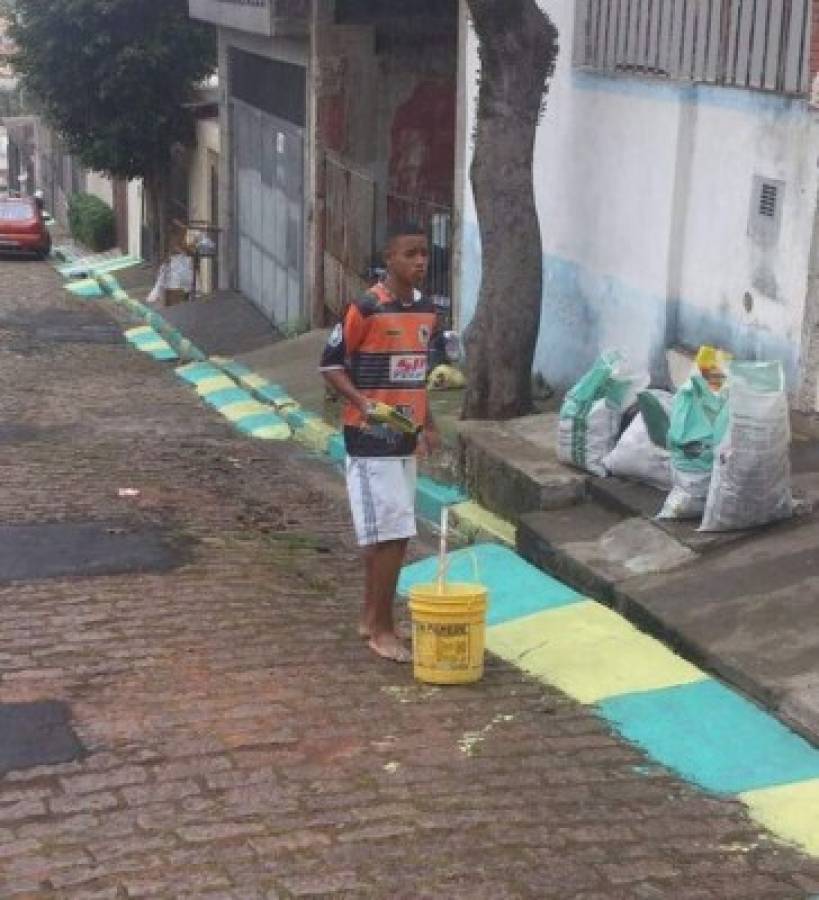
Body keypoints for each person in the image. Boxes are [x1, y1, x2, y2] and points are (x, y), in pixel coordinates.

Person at [321, 222, 440, 663]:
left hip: (405, 436)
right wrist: (362, 402)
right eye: (410, 254)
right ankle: (381, 628)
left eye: (424, 254)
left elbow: (418, 371)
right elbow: (331, 366)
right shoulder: (365, 308)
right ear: (389, 259)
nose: (420, 262)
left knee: (393, 534)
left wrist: (429, 423)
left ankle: (372, 618)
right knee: (392, 531)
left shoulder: (427, 311)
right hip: (371, 437)